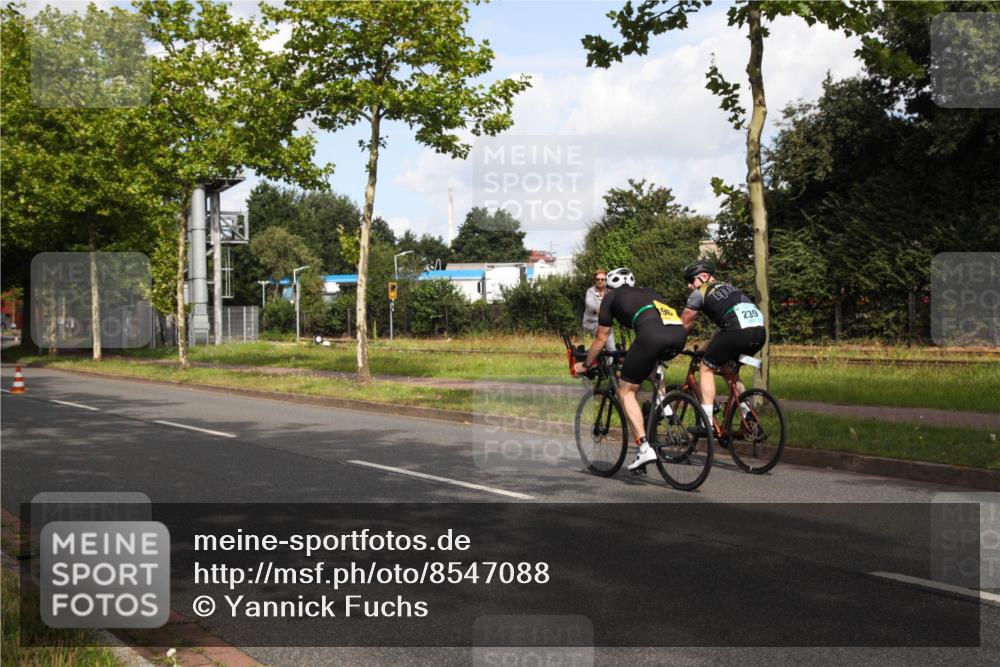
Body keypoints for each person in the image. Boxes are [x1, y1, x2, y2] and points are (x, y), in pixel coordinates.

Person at [573, 268, 687, 472]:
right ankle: (663, 402)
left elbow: (601, 338)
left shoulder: (610, 297)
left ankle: (644, 448)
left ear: (608, 286)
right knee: (652, 367)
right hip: (678, 334)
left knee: (625, 391)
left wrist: (586, 364)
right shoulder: (650, 293)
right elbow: (654, 322)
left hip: (651, 336)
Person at [680, 260, 766, 434]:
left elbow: (685, 323)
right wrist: (705, 347)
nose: (690, 286)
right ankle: (748, 415)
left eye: (691, 280)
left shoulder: (700, 292)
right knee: (727, 368)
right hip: (759, 333)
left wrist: (671, 341)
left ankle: (706, 423)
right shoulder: (731, 288)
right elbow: (724, 327)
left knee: (706, 367)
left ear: (703, 277)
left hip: (737, 332)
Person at [581, 269, 616, 351]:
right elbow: (590, 304)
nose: (600, 281)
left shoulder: (609, 292)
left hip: (604, 322)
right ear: (595, 280)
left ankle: (595, 354)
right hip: (591, 322)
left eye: (602, 279)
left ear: (606, 280)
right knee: (608, 334)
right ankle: (613, 355)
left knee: (604, 338)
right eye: (598, 279)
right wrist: (602, 311)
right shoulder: (590, 291)